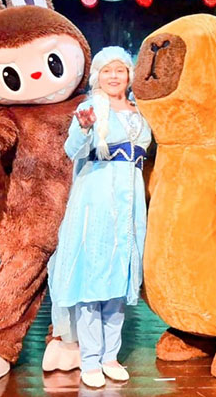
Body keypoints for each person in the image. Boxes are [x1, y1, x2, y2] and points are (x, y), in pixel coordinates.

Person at [47, 46, 152, 388]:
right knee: (92, 277)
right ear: (97, 76)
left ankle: (110, 356)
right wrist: (83, 129)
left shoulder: (139, 111)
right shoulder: (90, 108)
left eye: (119, 70)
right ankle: (90, 359)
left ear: (129, 75)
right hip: (97, 201)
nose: (113, 76)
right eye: (107, 71)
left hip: (130, 203)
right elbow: (72, 151)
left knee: (118, 279)